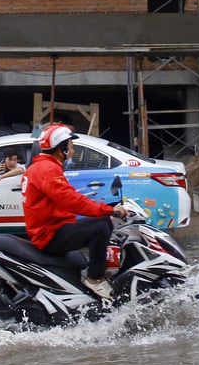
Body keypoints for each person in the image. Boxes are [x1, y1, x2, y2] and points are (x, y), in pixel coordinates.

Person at [22, 124, 128, 298]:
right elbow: (71, 201)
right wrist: (109, 211)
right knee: (101, 226)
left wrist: (103, 205)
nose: (72, 151)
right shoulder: (48, 169)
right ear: (60, 150)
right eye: (70, 147)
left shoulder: (39, 167)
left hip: (50, 229)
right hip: (50, 234)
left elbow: (65, 197)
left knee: (97, 222)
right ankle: (95, 278)